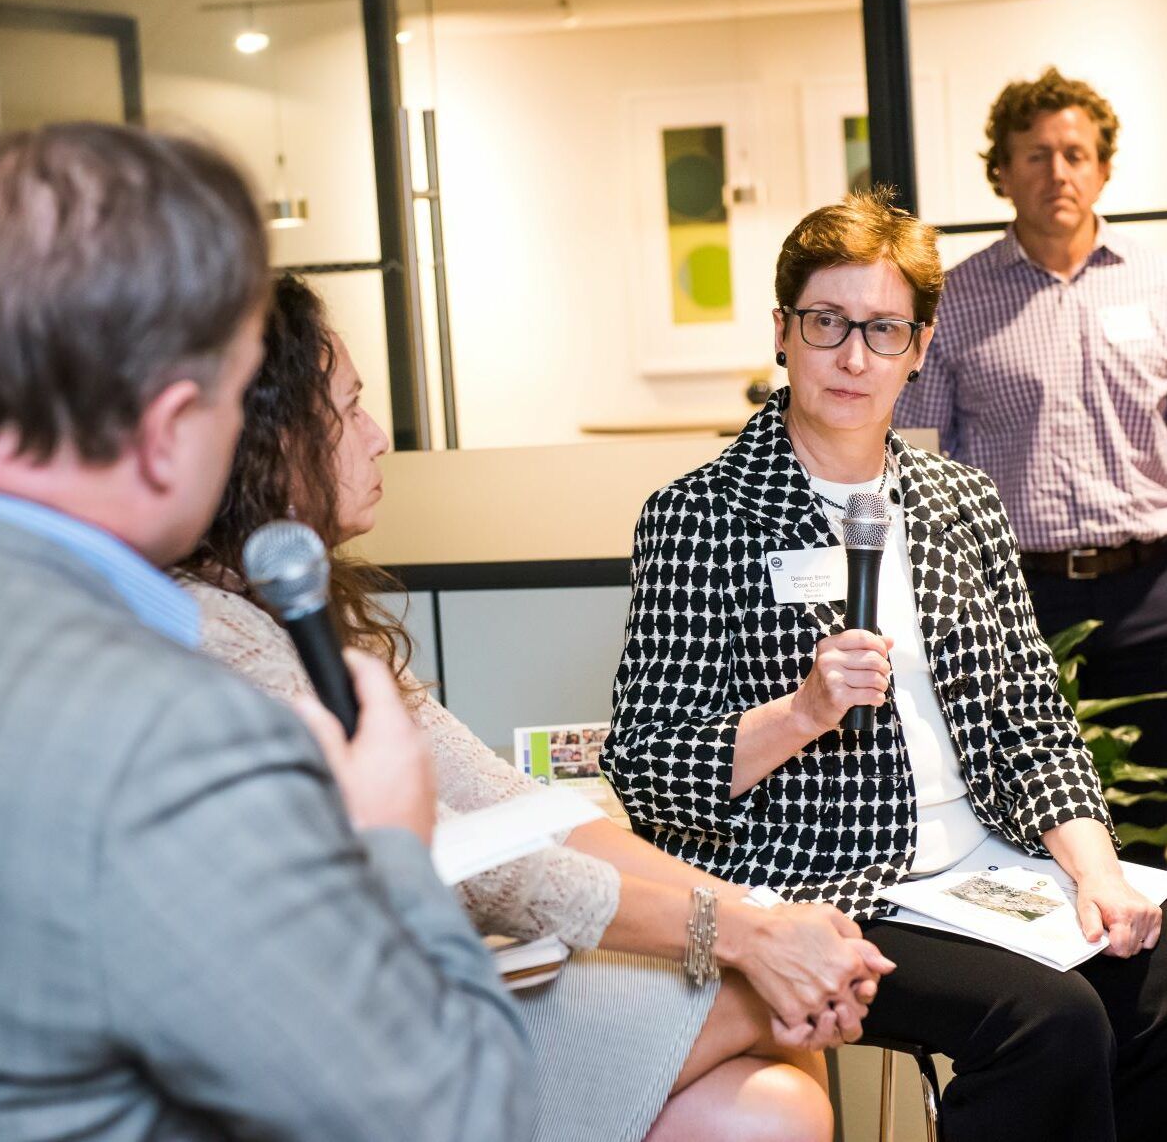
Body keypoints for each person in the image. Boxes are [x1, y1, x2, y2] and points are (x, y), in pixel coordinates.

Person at [180, 273, 898, 1142]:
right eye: (351, 407)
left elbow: (515, 805)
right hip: (372, 1039)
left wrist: (766, 919)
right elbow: (484, 868)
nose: (376, 439)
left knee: (776, 1109)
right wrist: (742, 933)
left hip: (439, 983)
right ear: (271, 439)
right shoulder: (217, 635)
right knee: (763, 1007)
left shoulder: (296, 614)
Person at [0, 122, 533, 1140]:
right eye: (240, 395)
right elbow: (449, 1113)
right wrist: (387, 848)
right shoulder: (168, 732)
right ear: (166, 429)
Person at [602, 188, 1167, 1142]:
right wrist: (801, 710)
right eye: (827, 323)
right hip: (825, 884)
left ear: (919, 347)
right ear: (781, 332)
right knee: (1049, 1022)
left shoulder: (962, 501)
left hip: (987, 866)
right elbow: (647, 767)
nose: (854, 357)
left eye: (884, 330)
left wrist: (1097, 870)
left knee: (1153, 981)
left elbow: (1030, 715)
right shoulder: (699, 514)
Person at [894, 67, 1167, 760]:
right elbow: (918, 458)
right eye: (1035, 155)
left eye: (1075, 155)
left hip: (1153, 597)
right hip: (1016, 603)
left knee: (1155, 810)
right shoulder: (953, 300)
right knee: (1034, 805)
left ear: (1102, 169)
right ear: (1001, 173)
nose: (1058, 172)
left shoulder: (1157, 282)